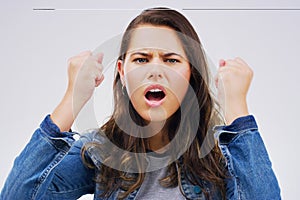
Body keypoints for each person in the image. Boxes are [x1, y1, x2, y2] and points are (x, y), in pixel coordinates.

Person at [0, 7, 280, 200]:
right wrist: (72, 98)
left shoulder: (222, 155)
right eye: (141, 59)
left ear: (191, 73)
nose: (155, 71)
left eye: (171, 60)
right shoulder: (98, 151)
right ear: (122, 72)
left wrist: (238, 112)